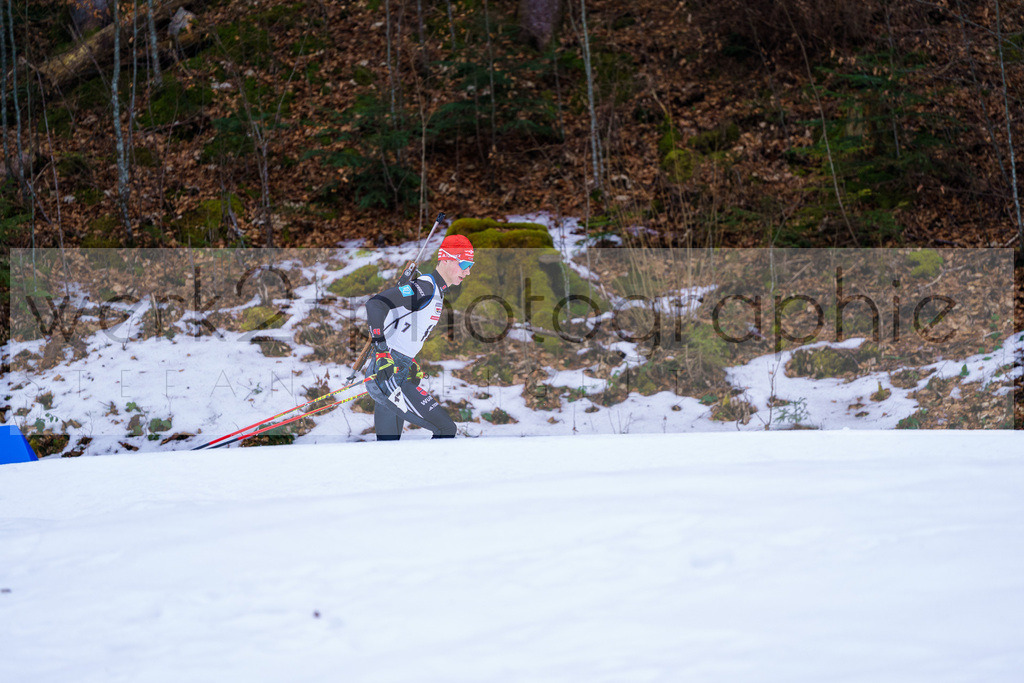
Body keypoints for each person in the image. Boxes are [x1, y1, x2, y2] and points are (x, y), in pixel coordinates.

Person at [362, 234, 475, 440]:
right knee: (446, 429)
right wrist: (381, 352)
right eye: (464, 264)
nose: (467, 272)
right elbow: (375, 304)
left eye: (470, 265)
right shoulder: (425, 288)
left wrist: (409, 360)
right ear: (447, 259)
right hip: (388, 374)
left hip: (398, 370)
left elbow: (402, 327)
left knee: (388, 445)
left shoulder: (437, 292)